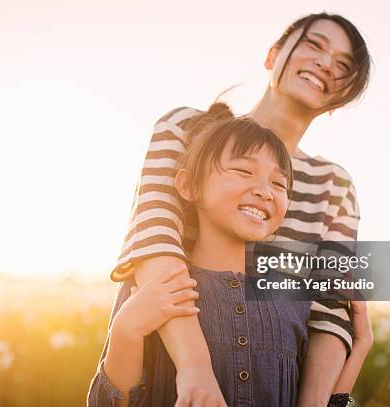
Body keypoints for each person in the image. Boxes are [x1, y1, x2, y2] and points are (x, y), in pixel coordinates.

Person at [109, 12, 372, 406]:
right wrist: (194, 368)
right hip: (165, 373)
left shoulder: (335, 184)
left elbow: (329, 308)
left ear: (342, 95)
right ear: (273, 55)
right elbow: (154, 239)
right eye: (315, 45)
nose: (325, 63)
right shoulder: (185, 128)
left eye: (343, 66)